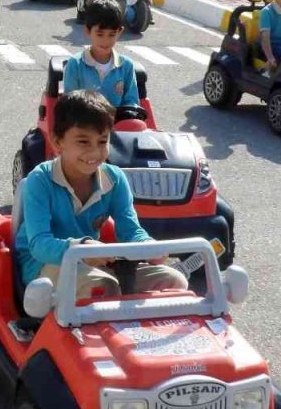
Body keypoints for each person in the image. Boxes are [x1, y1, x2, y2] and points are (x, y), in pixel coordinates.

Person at [15, 90, 188, 299]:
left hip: (94, 261)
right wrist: (83, 248)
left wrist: (147, 246)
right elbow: (39, 245)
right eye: (83, 142)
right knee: (102, 288)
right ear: (57, 141)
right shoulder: (40, 180)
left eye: (102, 141)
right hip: (43, 265)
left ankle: (145, 331)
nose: (95, 152)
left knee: (174, 281)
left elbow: (130, 230)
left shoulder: (115, 179)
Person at [63, 0, 140, 110]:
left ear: (119, 32)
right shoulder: (75, 64)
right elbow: (70, 105)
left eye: (111, 35)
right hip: (84, 124)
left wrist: (129, 113)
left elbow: (131, 102)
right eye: (100, 34)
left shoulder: (126, 66)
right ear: (88, 31)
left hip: (118, 124)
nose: (106, 41)